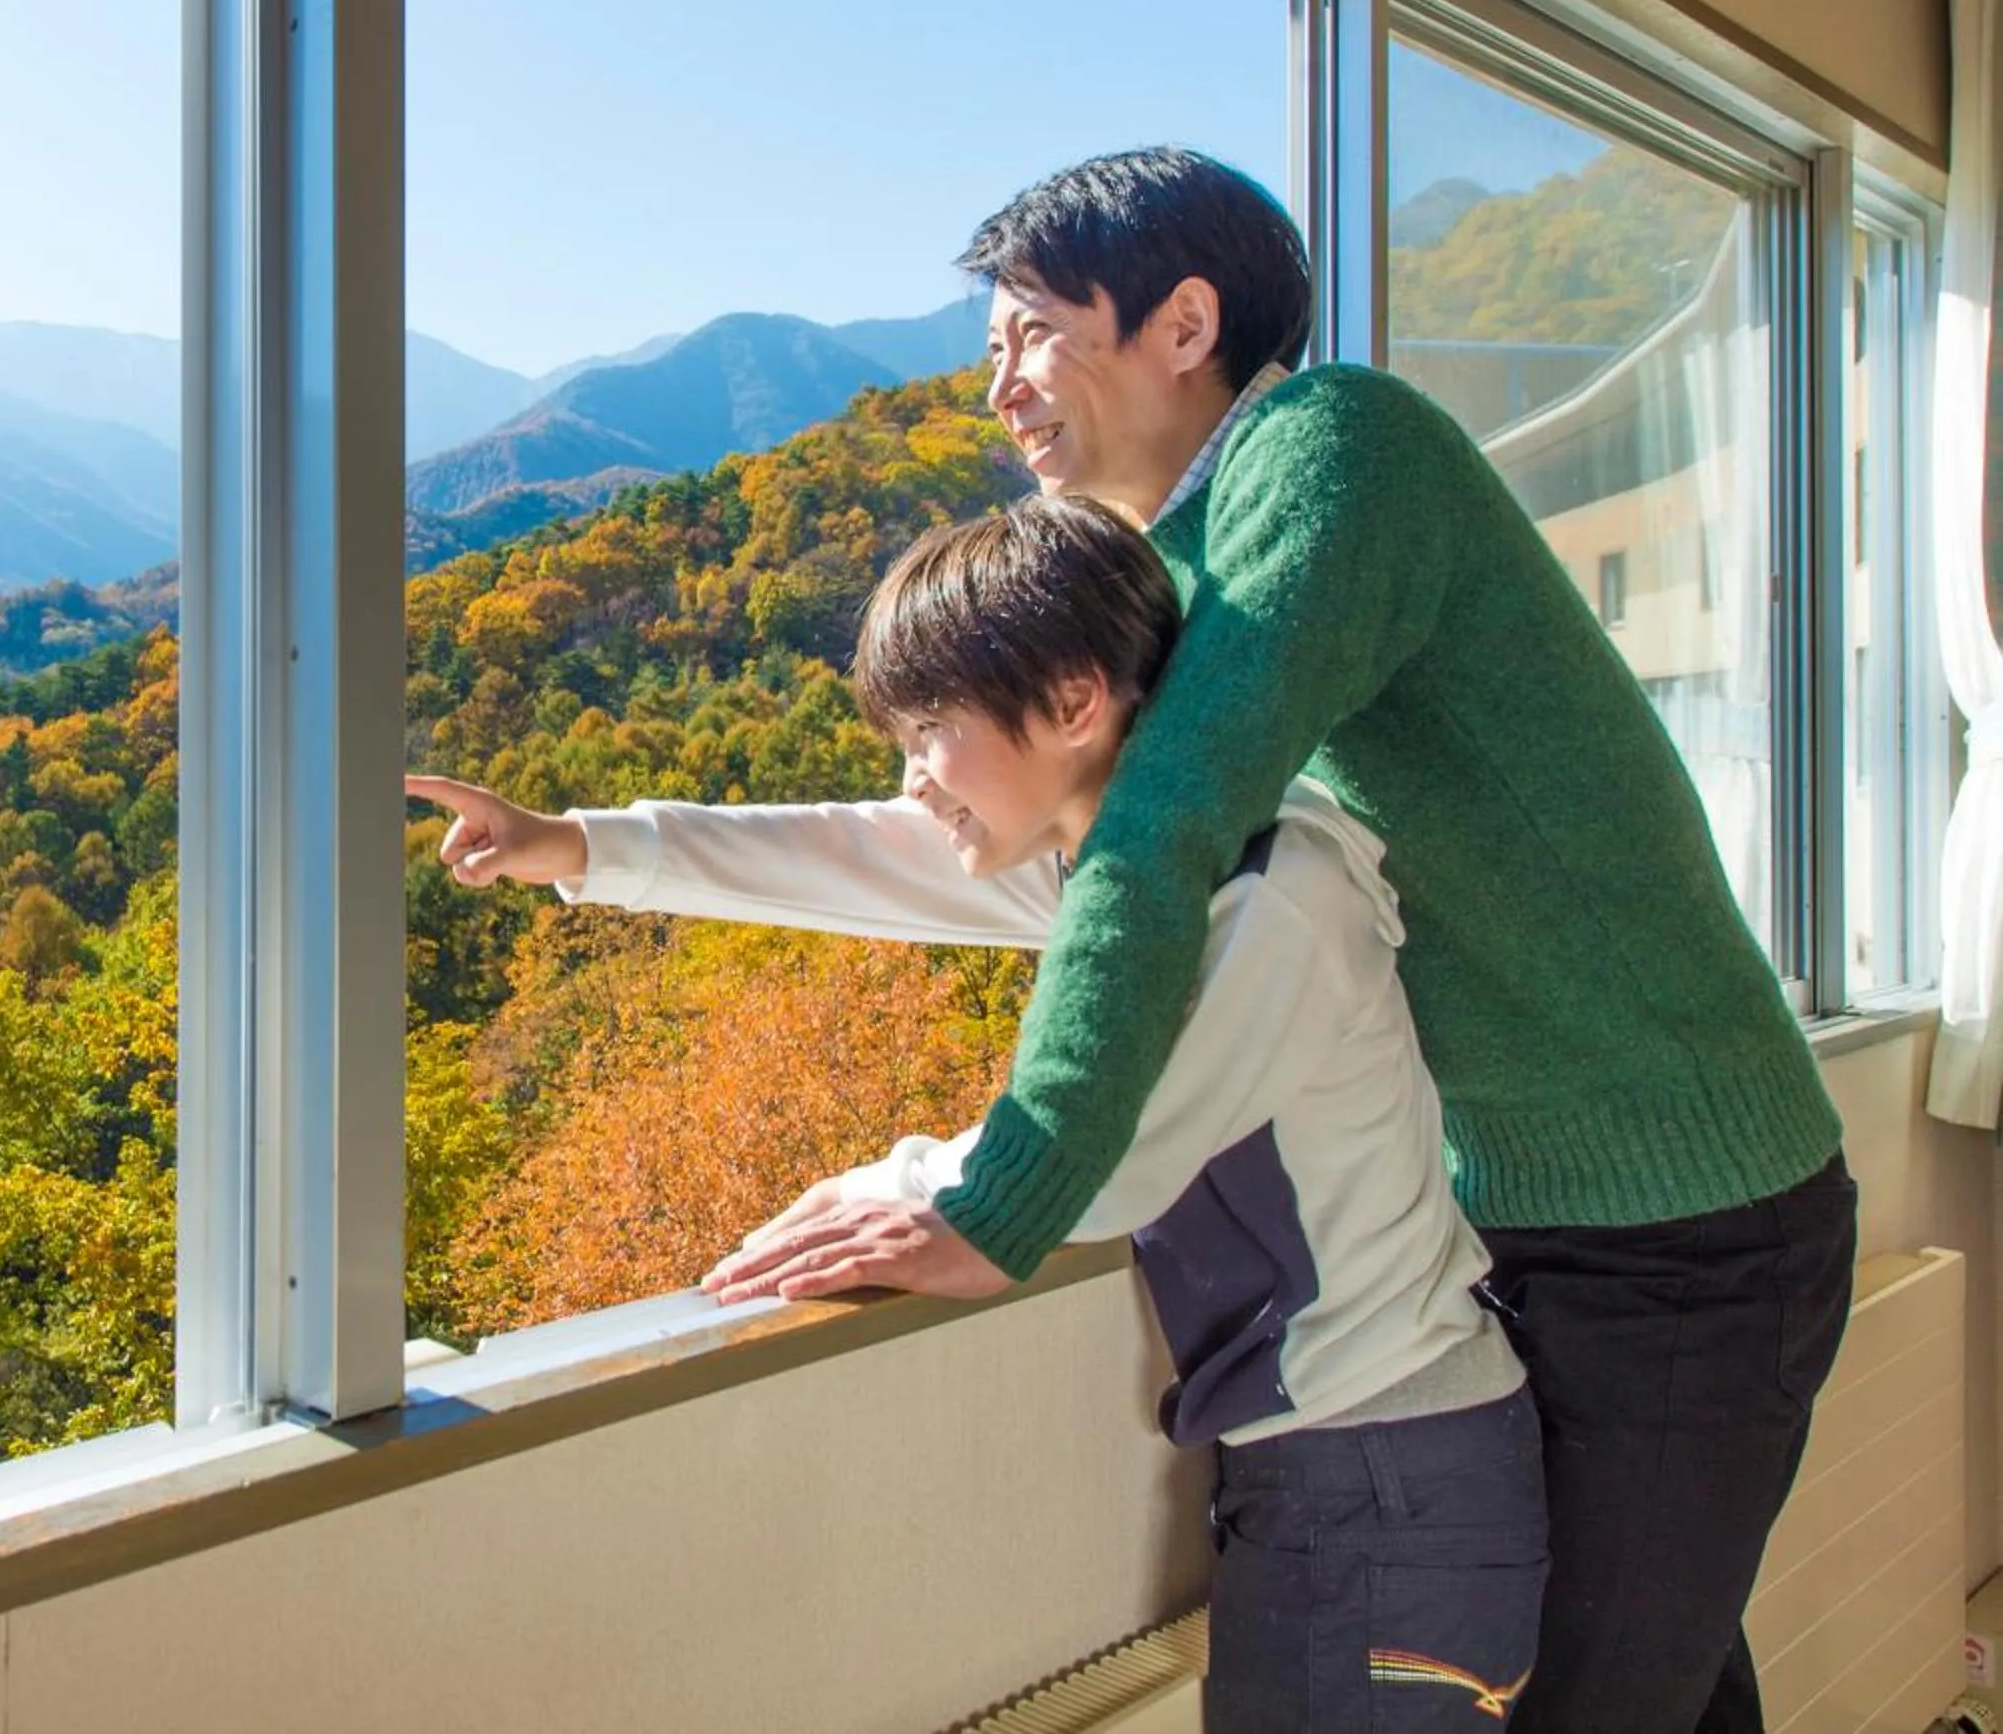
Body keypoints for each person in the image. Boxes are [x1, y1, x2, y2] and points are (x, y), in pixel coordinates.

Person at [441, 148, 1854, 1733]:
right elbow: (969, 849)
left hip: (1683, 1221)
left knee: (1610, 1698)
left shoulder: (1334, 457)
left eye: (1032, 332)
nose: (998, 391)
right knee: (1656, 1674)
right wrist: (594, 851)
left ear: (1187, 322)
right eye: (988, 350)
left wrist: (1007, 1199)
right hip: (1500, 1231)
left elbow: (1159, 841)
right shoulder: (1168, 585)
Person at [410, 496, 1548, 1731]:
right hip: (1348, 1468)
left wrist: (899, 1186)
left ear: (1072, 703)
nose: (913, 777)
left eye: (934, 730)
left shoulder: (1272, 890)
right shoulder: (1133, 860)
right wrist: (579, 847)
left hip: (1388, 1480)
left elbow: (1110, 1147)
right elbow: (856, 853)